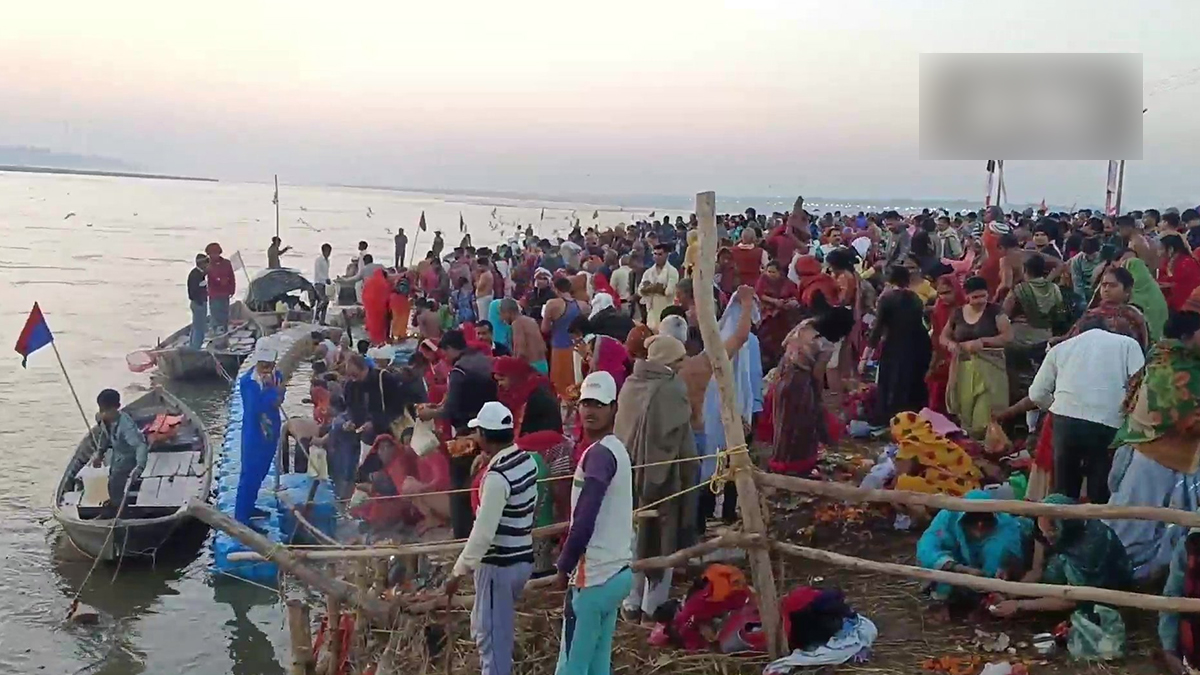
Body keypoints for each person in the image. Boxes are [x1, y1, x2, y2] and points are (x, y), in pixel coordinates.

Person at [442, 402, 536, 675]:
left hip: (499, 566)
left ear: (484, 435)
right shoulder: (526, 461)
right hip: (522, 559)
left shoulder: (496, 477)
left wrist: (457, 572)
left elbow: (483, 534)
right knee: (498, 630)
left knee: (491, 639)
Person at [1105, 311, 1200, 581]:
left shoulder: (1169, 360)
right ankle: (1125, 578)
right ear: (1188, 337)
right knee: (1136, 526)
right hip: (1154, 459)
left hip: (1171, 458)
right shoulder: (1172, 369)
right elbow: (1183, 417)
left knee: (1161, 522)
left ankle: (1162, 574)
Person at [554, 372, 634, 675]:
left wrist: (564, 566)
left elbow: (585, 518)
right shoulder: (616, 449)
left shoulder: (599, 456)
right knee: (598, 663)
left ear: (613, 408)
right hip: (617, 572)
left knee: (572, 666)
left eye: (598, 405)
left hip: (595, 578)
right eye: (586, 403)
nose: (590, 410)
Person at [615, 335, 697, 621]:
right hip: (664, 479)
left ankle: (630, 602)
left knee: (634, 539)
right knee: (662, 538)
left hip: (629, 475)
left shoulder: (631, 383)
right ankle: (652, 607)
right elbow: (679, 438)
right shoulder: (671, 388)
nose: (682, 365)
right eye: (678, 360)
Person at [1028, 315, 1143, 504]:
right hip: (1108, 423)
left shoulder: (1061, 348)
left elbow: (1036, 394)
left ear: (1079, 331)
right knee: (1100, 489)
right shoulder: (1127, 344)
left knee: (1064, 491)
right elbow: (1138, 384)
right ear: (1108, 328)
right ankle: (1095, 530)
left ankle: (1063, 530)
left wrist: (1057, 407)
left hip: (1065, 421)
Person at [990, 494, 1132, 618]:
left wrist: (1020, 605)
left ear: (1065, 524)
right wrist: (1009, 593)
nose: (1047, 535)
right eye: (1044, 530)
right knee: (1025, 533)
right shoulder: (1045, 529)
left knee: (1055, 568)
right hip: (1066, 577)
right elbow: (1037, 569)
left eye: (1053, 530)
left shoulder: (1090, 544)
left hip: (1103, 590)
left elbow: (1072, 598)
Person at [418, 329, 498, 538]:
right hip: (491, 427)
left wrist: (430, 412)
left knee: (459, 485)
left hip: (466, 433)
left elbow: (451, 409)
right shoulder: (483, 360)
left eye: (445, 352)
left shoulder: (459, 371)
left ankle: (462, 534)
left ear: (451, 349)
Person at [769, 308, 855, 476]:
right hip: (800, 383)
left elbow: (784, 343)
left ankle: (779, 461)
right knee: (802, 424)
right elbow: (817, 375)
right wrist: (818, 397)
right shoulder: (826, 345)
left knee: (782, 421)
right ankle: (797, 465)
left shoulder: (805, 325)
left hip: (783, 374)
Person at [916, 490, 1032, 606]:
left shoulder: (1006, 526)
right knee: (934, 567)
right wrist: (956, 568)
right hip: (954, 567)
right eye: (972, 519)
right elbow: (926, 548)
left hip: (985, 576)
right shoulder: (948, 516)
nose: (979, 525)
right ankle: (941, 600)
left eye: (986, 519)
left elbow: (1002, 561)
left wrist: (998, 576)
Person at [941, 275, 1013, 438]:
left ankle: (986, 443)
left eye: (983, 296)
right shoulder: (958, 313)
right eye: (975, 297)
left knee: (985, 413)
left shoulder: (995, 311)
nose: (980, 301)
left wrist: (983, 341)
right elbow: (944, 337)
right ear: (967, 296)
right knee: (965, 409)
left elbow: (1007, 336)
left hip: (989, 368)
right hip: (963, 368)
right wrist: (950, 344)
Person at [863, 266, 933, 425]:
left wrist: (865, 357)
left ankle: (891, 419)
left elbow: (878, 329)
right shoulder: (915, 298)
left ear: (889, 280)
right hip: (918, 344)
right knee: (910, 380)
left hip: (895, 343)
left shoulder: (887, 298)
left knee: (892, 381)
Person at [236, 343, 284, 526]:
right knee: (249, 474)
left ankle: (250, 506)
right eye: (264, 365)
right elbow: (254, 408)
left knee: (262, 471)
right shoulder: (248, 382)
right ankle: (241, 516)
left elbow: (280, 395)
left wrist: (277, 394)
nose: (268, 369)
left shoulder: (276, 376)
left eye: (270, 365)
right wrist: (272, 394)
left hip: (270, 433)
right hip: (254, 434)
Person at [89, 388, 149, 515]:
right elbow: (104, 436)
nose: (104, 413)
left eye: (107, 410)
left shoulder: (126, 426)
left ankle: (121, 510)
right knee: (112, 481)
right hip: (116, 456)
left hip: (128, 457)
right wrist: (99, 453)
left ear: (117, 408)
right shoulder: (103, 419)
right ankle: (115, 502)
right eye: (102, 410)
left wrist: (139, 467)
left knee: (116, 482)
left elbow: (140, 446)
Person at [1003, 253, 1069, 346]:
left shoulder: (1019, 288)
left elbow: (1005, 311)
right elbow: (1059, 314)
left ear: (1025, 270)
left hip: (1021, 336)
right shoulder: (1054, 288)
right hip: (1046, 336)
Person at [926, 273, 966, 414]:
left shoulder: (966, 306)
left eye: (947, 292)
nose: (944, 297)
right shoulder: (939, 308)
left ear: (956, 289)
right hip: (944, 354)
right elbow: (937, 334)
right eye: (940, 294)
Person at [543, 277, 589, 395]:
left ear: (555, 288)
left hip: (559, 348)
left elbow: (545, 329)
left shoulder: (552, 304)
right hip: (578, 348)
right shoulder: (583, 305)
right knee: (576, 381)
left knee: (560, 386)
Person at [755, 259, 800, 370]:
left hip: (783, 318)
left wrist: (788, 302)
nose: (770, 274)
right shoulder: (763, 280)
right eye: (768, 271)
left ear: (780, 272)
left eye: (773, 272)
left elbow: (796, 297)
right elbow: (759, 293)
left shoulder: (787, 283)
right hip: (767, 316)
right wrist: (774, 301)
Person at [639, 243, 680, 329]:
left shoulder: (672, 271)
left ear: (666, 255)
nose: (657, 257)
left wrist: (651, 288)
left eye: (660, 254)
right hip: (651, 310)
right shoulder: (648, 272)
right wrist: (655, 288)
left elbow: (669, 291)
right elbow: (640, 290)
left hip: (666, 308)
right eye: (655, 254)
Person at [1159, 233, 1200, 313]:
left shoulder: (1187, 263)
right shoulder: (1168, 262)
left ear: (1170, 249)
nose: (1159, 252)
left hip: (1187, 308)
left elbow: (1183, 288)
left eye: (1161, 249)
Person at [205, 242, 235, 333]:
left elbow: (232, 277)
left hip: (225, 293)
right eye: (211, 254)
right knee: (215, 315)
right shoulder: (207, 265)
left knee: (225, 315)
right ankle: (215, 333)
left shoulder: (226, 263)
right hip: (214, 293)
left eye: (215, 253)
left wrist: (232, 289)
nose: (213, 256)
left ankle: (224, 332)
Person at [187, 253, 209, 349]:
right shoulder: (196, 275)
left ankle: (192, 345)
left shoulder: (198, 273)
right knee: (199, 327)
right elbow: (194, 290)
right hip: (198, 304)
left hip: (196, 303)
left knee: (196, 326)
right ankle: (196, 348)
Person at [314, 243, 332, 324]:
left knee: (323, 303)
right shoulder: (319, 260)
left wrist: (328, 279)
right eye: (328, 251)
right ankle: (316, 313)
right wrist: (326, 279)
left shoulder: (327, 261)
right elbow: (319, 273)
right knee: (324, 300)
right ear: (323, 251)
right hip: (318, 283)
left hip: (324, 284)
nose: (329, 253)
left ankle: (322, 320)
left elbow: (325, 273)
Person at [475, 255, 496, 322]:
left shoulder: (485, 275)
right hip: (485, 297)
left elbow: (479, 287)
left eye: (479, 266)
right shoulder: (488, 274)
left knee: (483, 317)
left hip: (484, 298)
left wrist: (477, 279)